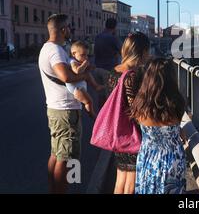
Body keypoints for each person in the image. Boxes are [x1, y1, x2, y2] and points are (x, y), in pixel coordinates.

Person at [38, 14, 92, 194]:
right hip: (65, 112)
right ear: (62, 30)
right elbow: (66, 76)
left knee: (56, 154)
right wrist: (84, 76)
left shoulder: (47, 48)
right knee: (66, 158)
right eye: (69, 27)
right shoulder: (56, 50)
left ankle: (53, 190)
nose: (71, 30)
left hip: (56, 109)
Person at [130, 58, 187, 194]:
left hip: (148, 157)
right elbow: (171, 124)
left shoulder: (140, 105)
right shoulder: (177, 103)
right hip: (173, 159)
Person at [105, 32, 150, 194]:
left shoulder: (113, 72)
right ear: (143, 52)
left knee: (120, 178)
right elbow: (135, 111)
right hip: (133, 134)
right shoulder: (134, 75)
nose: (149, 55)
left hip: (119, 132)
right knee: (131, 181)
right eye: (148, 52)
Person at [66, 41, 104, 119]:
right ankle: (92, 114)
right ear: (74, 54)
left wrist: (89, 68)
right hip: (77, 88)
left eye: (87, 55)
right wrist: (84, 64)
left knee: (88, 75)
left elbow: (84, 71)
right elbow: (77, 71)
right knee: (89, 101)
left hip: (80, 85)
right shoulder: (73, 62)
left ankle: (96, 86)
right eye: (83, 55)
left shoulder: (79, 61)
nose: (85, 57)